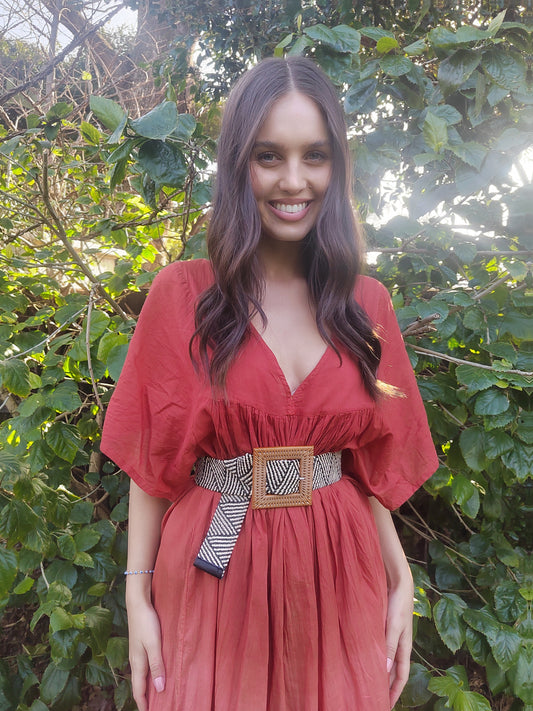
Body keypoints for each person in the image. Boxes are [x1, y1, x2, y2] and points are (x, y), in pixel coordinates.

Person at [100, 56, 438, 711]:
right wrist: (136, 593)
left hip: (339, 568)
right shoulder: (184, 295)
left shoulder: (364, 305)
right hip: (212, 562)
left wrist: (402, 579)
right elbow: (152, 462)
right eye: (268, 156)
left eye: (313, 155)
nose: (293, 180)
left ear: (335, 166)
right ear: (237, 165)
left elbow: (366, 467)